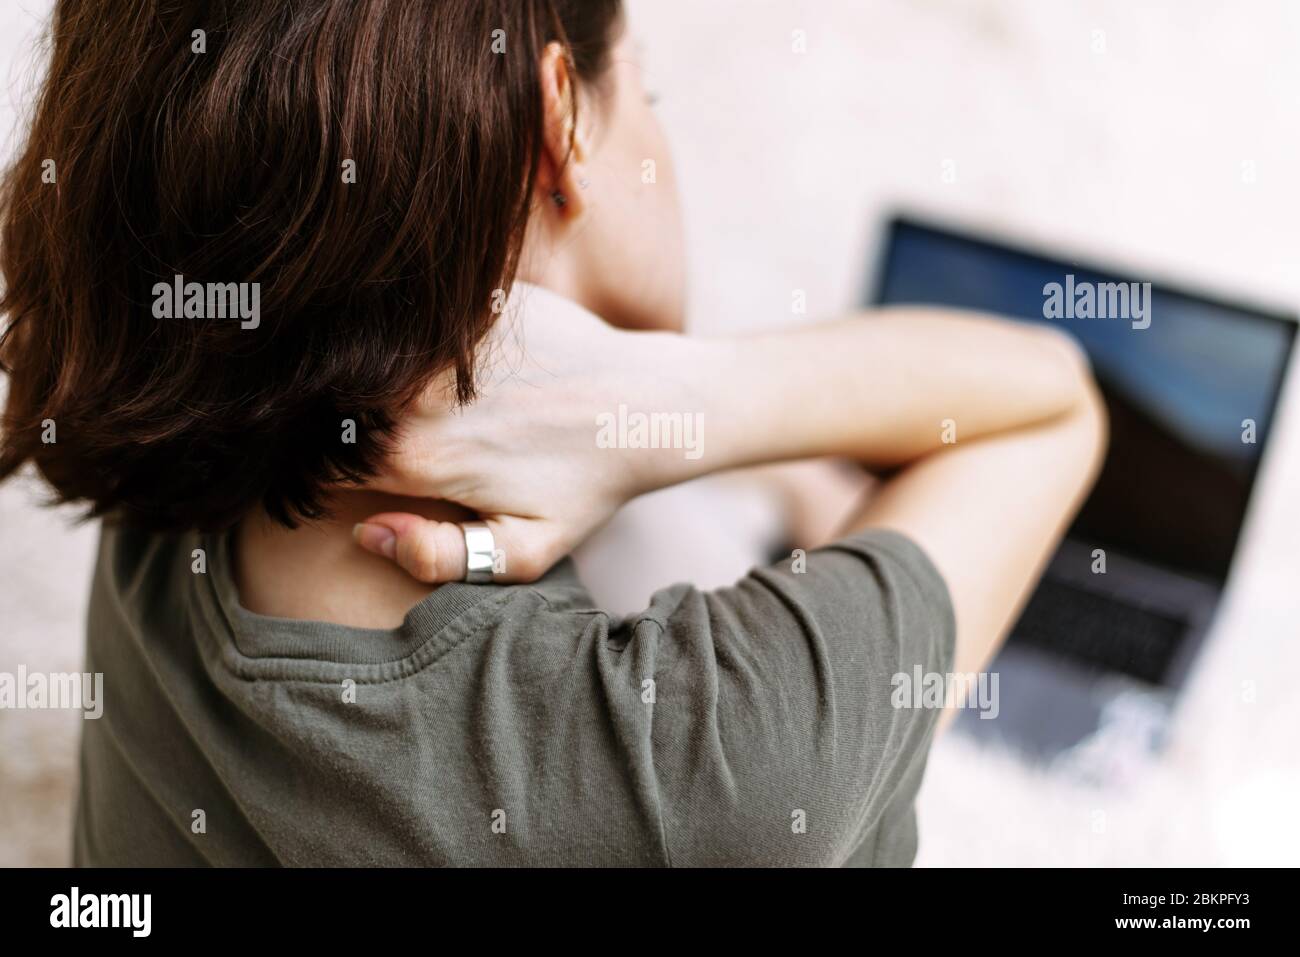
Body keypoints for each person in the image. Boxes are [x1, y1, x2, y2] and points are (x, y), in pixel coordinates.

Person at [0, 0, 1105, 866]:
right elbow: (1050, 398)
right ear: (562, 127)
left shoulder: (170, 452)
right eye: (648, 91)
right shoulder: (725, 767)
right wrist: (688, 396)